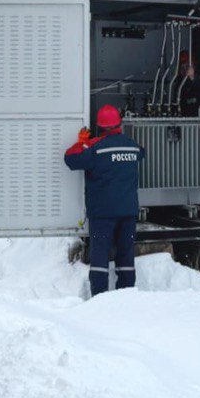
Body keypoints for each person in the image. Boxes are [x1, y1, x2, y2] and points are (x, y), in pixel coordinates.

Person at [64, 104, 145, 295]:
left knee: (100, 256)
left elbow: (70, 159)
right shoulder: (132, 146)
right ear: (119, 124)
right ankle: (126, 295)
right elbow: (142, 152)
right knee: (126, 256)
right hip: (128, 212)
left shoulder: (95, 149)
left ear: (99, 126)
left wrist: (83, 142)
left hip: (103, 214)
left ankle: (100, 298)